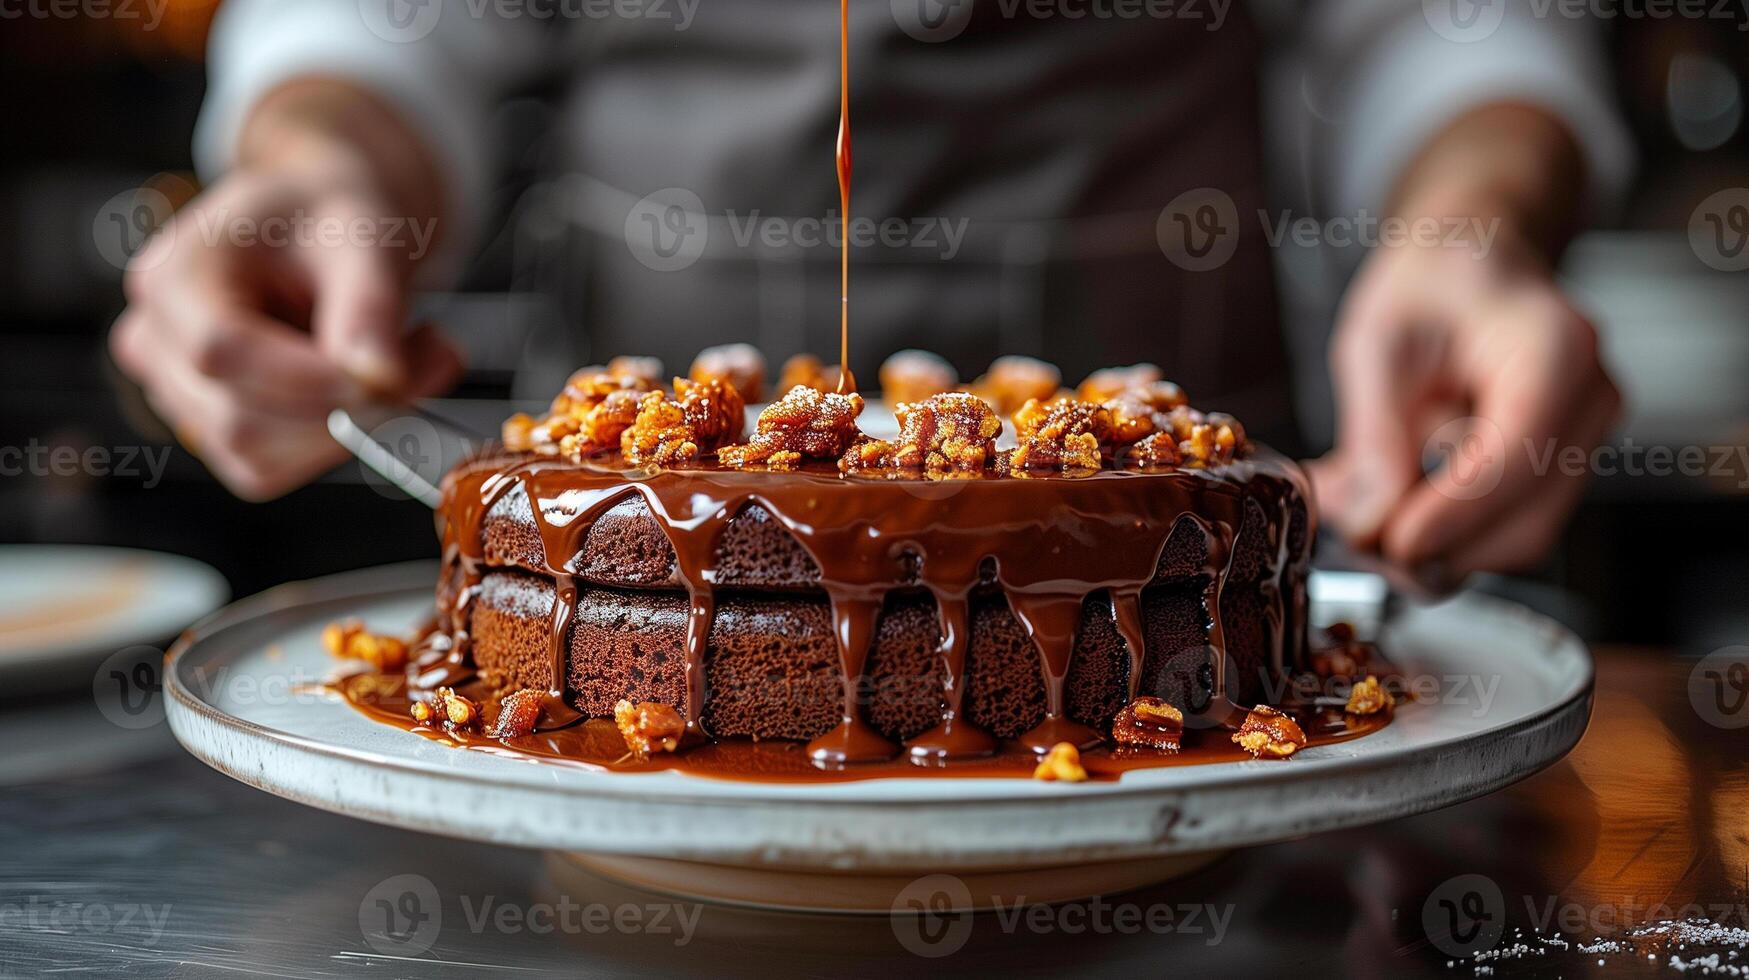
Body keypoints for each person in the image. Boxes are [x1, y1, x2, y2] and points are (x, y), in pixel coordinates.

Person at [111, 0, 1626, 585]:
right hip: (631, 562)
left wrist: (1468, 233)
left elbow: (1449, 35)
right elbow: (390, 34)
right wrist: (317, 162)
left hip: (1169, 559)